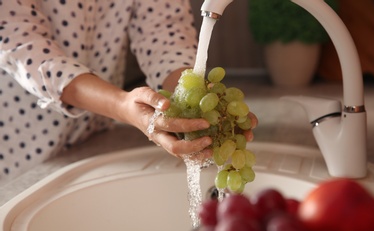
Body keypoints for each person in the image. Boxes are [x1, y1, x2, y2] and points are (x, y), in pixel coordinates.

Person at [0, 0, 257, 186]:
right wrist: (121, 104)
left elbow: (164, 31)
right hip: (20, 151)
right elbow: (22, 44)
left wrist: (189, 97)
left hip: (93, 137)